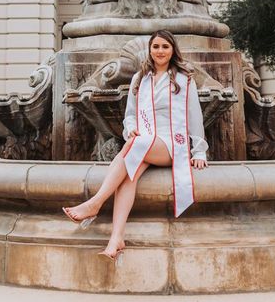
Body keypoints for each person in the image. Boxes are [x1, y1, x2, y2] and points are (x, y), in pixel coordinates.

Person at [63, 30, 208, 263]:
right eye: (156, 47)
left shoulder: (184, 79)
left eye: (165, 47)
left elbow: (195, 116)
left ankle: (96, 202)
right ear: (150, 50)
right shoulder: (140, 79)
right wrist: (130, 128)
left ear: (172, 51)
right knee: (129, 175)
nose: (160, 51)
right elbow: (130, 115)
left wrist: (199, 150)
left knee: (134, 146)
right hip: (144, 142)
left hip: (173, 144)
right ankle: (116, 239)